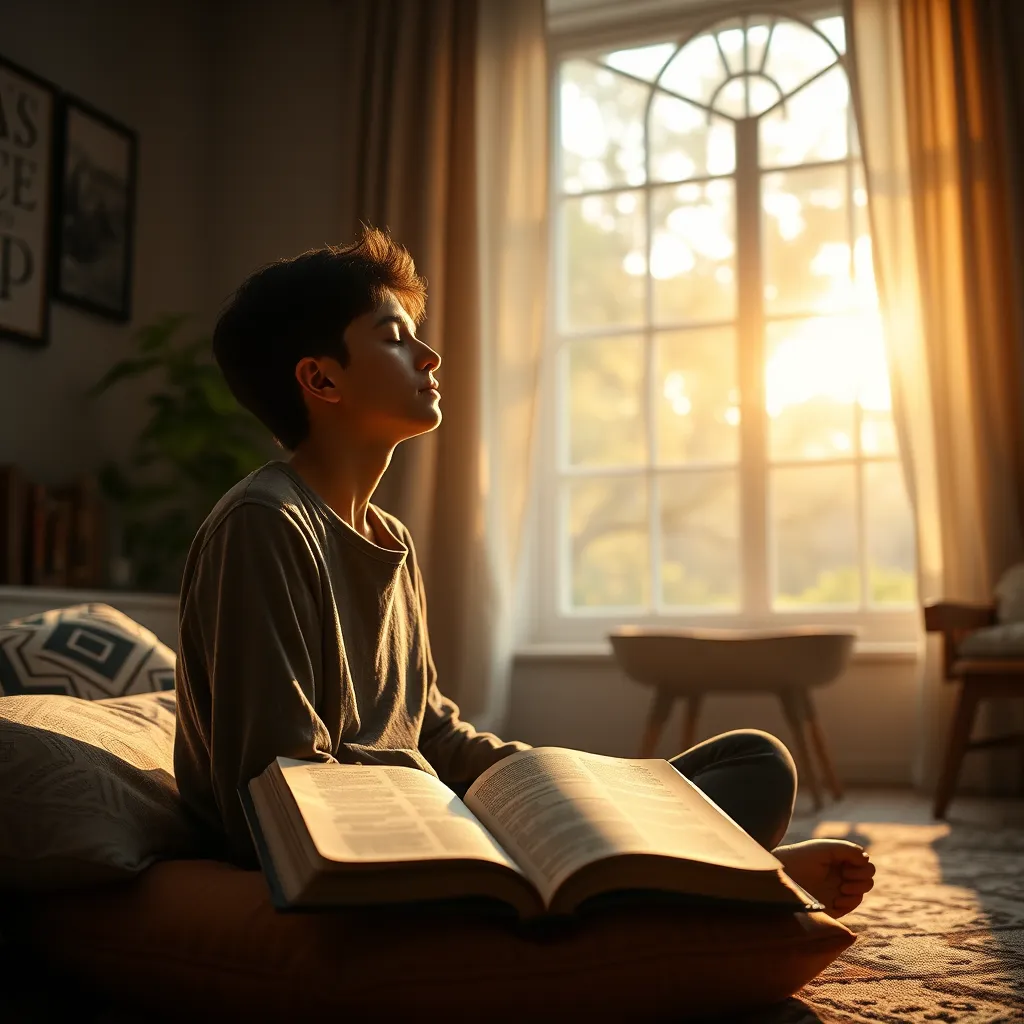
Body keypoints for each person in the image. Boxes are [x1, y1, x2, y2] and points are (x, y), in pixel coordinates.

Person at [173, 226, 875, 918]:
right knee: (554, 851)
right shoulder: (263, 523)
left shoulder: (390, 537)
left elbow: (431, 731)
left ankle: (672, 875)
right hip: (353, 843)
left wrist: (553, 780)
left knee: (754, 762)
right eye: (394, 337)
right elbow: (276, 782)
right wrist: (452, 801)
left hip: (435, 812)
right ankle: (723, 882)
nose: (429, 354)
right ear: (321, 378)